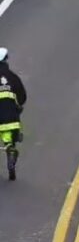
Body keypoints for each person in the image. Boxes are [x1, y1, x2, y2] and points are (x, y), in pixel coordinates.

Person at [0, 48, 26, 181]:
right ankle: (10, 151)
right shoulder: (12, 77)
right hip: (11, 117)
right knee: (9, 138)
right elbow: (22, 96)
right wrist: (19, 107)